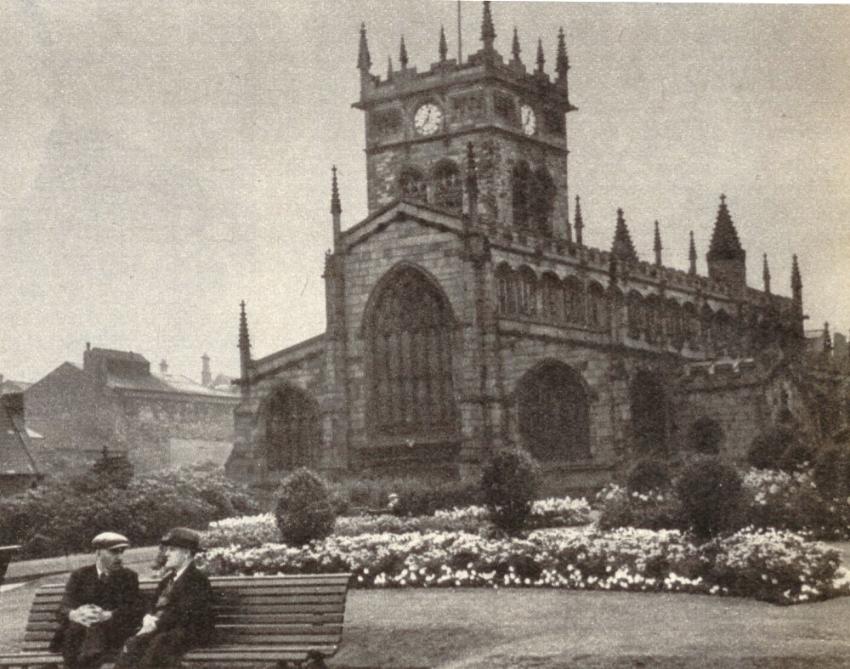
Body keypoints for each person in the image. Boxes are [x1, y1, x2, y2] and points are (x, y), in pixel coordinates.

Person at [114, 527, 214, 669]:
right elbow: (153, 603)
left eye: (172, 550)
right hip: (164, 629)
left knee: (158, 644)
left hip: (189, 631)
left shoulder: (197, 580)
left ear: (186, 553)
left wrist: (155, 624)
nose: (166, 553)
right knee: (133, 643)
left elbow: (183, 612)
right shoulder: (167, 580)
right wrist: (148, 616)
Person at [49, 532, 141, 669]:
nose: (120, 557)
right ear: (98, 552)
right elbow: (64, 606)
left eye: (122, 552)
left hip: (111, 634)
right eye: (114, 552)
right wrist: (74, 614)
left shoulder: (128, 577)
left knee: (88, 634)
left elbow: (133, 609)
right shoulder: (80, 576)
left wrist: (108, 614)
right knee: (79, 631)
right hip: (79, 634)